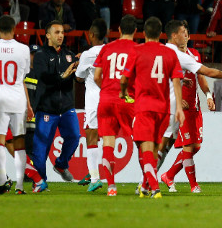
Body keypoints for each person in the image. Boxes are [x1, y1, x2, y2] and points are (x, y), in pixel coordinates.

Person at [120, 17, 184, 199]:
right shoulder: (170, 53)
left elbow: (124, 78)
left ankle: (154, 188)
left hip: (144, 106)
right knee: (155, 150)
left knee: (146, 148)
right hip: (164, 109)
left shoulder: (137, 50)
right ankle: (146, 187)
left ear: (144, 33)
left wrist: (123, 92)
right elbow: (177, 81)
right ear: (161, 33)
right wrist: (179, 107)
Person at [160, 24, 213, 194]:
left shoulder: (194, 55)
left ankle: (168, 175)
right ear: (174, 36)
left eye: (186, 33)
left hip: (195, 107)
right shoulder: (170, 55)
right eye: (181, 32)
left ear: (189, 37)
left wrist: (209, 96)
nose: (184, 36)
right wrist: (178, 99)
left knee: (195, 146)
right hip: (180, 109)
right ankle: (193, 185)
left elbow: (201, 78)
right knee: (188, 147)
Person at [93, 14, 138, 196]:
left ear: (118, 30)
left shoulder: (106, 48)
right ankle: (146, 183)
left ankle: (111, 187)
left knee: (108, 143)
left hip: (106, 100)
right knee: (144, 142)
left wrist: (106, 89)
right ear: (135, 31)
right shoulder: (138, 49)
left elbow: (96, 76)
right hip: (128, 100)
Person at [31, 20, 80, 183]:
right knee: (41, 148)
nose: (60, 36)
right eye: (57, 32)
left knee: (74, 136)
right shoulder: (40, 56)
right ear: (48, 35)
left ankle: (60, 164)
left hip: (66, 108)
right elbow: (43, 77)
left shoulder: (69, 55)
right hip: (46, 108)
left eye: (62, 33)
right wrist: (62, 76)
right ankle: (40, 181)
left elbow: (76, 78)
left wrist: (79, 71)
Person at [0, 16, 33, 194]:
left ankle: (1, 179)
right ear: (15, 29)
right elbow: (23, 75)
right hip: (17, 99)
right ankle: (20, 185)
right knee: (18, 141)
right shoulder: (23, 49)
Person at [74, 19, 107, 192]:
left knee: (91, 137)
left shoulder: (88, 54)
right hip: (109, 99)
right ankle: (93, 172)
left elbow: (79, 78)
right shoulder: (110, 51)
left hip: (94, 101)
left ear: (91, 35)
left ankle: (95, 178)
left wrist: (81, 64)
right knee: (106, 138)